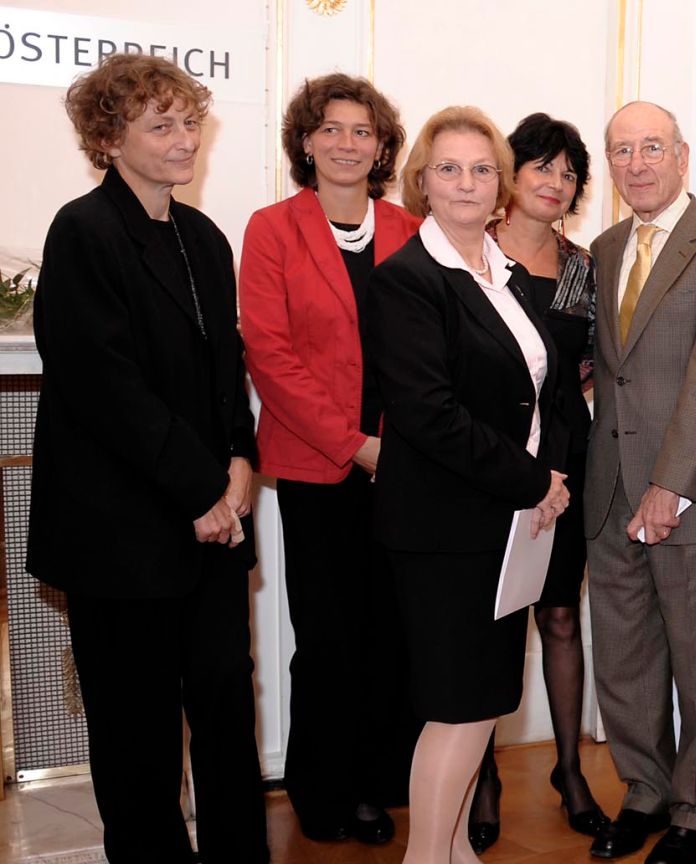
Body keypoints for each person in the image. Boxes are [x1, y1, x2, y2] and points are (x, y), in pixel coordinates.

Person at [29, 53, 267, 863]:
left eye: (189, 121)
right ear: (109, 138)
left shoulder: (204, 237)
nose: (183, 139)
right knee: (137, 737)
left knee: (228, 711)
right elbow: (106, 390)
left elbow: (222, 368)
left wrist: (241, 459)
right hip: (122, 533)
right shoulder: (83, 231)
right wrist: (203, 487)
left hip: (213, 524)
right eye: (160, 124)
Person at [360, 106, 571, 864]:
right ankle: (428, 857)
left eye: (483, 169)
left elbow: (535, 394)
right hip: (443, 530)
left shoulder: (503, 275)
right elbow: (428, 413)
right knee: (454, 711)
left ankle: (455, 853)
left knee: (484, 704)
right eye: (448, 168)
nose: (467, 183)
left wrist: (546, 480)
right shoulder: (408, 279)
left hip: (504, 526)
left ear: (502, 186)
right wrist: (533, 479)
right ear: (422, 181)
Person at [238, 72, 421, 847]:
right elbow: (270, 356)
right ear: (305, 142)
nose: (348, 144)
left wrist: (396, 445)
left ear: (381, 147)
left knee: (393, 632)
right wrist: (354, 444)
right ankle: (323, 789)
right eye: (332, 129)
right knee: (328, 638)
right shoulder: (273, 227)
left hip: (406, 466)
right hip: (320, 468)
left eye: (363, 132)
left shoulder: (411, 227)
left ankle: (379, 784)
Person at [582, 101, 696, 864]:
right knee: (625, 664)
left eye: (652, 147)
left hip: (688, 495)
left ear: (683, 157)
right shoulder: (603, 245)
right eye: (622, 151)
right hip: (607, 491)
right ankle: (647, 791)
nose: (637, 163)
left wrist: (671, 484)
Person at [468, 111, 609, 853]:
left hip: (569, 461)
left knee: (559, 616)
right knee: (489, 628)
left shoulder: (586, 267)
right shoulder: (474, 258)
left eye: (568, 172)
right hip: (489, 465)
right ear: (509, 175)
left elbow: (589, 368)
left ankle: (569, 771)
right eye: (541, 168)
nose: (555, 182)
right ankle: (482, 776)